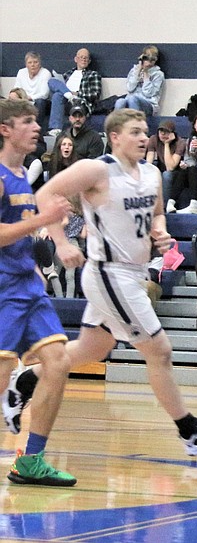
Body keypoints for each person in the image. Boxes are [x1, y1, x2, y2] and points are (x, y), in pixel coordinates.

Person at [25, 108, 197, 459]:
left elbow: (157, 213)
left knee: (92, 350)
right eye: (136, 132)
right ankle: (192, 432)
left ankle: (27, 379)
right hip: (108, 272)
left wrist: (161, 231)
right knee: (160, 350)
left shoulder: (152, 172)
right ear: (115, 137)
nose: (144, 137)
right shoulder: (97, 169)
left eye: (145, 131)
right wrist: (62, 243)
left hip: (134, 272)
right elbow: (45, 195)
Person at [0, 97, 76, 486]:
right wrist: (46, 219)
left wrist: (33, 265)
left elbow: (18, 236)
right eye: (27, 122)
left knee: (59, 362)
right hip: (3, 289)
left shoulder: (24, 179)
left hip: (28, 286)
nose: (36, 127)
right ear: (5, 129)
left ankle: (31, 461)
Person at [47, 47, 102, 133]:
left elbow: (95, 94)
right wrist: (68, 93)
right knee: (52, 81)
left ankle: (56, 128)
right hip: (66, 100)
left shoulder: (93, 74)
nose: (83, 59)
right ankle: (67, 94)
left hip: (80, 102)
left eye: (86, 58)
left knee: (58, 95)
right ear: (76, 59)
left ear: (89, 61)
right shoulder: (68, 74)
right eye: (81, 57)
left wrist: (77, 94)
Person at [114, 46, 164, 116]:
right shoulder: (134, 70)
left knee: (133, 99)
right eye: (147, 58)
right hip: (131, 99)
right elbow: (130, 88)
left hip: (149, 103)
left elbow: (148, 93)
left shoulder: (158, 74)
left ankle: (135, 123)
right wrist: (138, 71)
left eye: (152, 59)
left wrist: (146, 75)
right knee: (120, 102)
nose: (149, 62)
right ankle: (116, 125)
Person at [148, 120, 186, 211]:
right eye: (161, 131)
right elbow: (149, 160)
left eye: (167, 132)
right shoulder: (153, 139)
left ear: (173, 133)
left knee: (166, 174)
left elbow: (170, 167)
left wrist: (166, 144)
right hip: (161, 169)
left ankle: (164, 207)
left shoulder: (180, 142)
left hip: (177, 172)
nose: (163, 134)